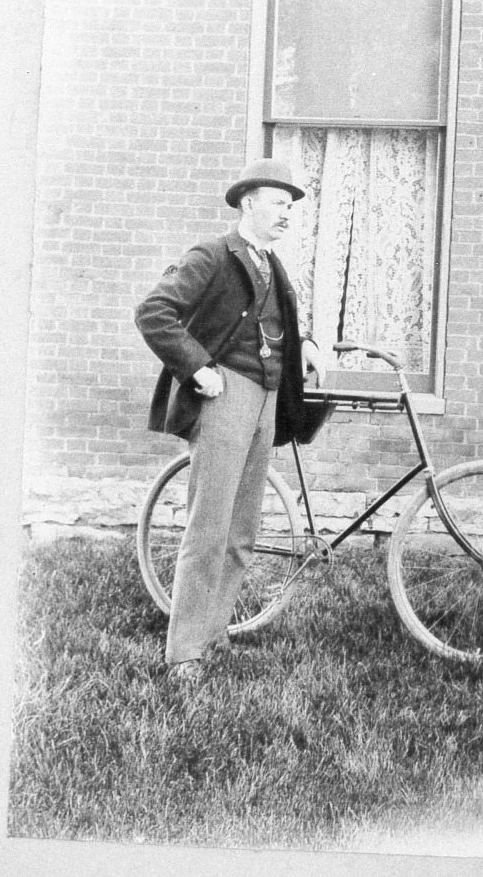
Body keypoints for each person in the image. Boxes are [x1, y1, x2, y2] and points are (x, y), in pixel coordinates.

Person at [136, 159, 326, 681]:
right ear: (248, 203)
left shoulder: (272, 264)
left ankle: (212, 634)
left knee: (241, 531)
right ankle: (184, 653)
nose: (286, 213)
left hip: (266, 398)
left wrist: (306, 343)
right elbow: (153, 312)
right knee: (209, 528)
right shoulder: (212, 255)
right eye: (278, 203)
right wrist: (197, 367)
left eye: (290, 206)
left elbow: (279, 323)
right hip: (226, 396)